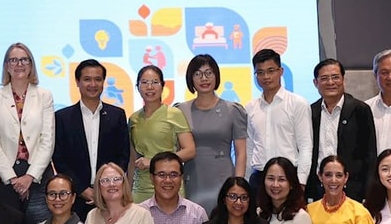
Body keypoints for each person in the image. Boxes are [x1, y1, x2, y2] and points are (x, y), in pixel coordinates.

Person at [0, 43, 56, 222]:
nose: (19, 64)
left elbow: (47, 140)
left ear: (31, 65)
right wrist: (11, 178)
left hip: (38, 173)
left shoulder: (44, 96)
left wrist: (30, 176)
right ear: (6, 66)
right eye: (13, 60)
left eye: (24, 60)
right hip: (7, 174)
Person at [52, 59, 131, 217]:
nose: (93, 84)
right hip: (75, 197)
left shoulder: (117, 115)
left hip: (110, 196)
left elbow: (123, 155)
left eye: (98, 79)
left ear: (103, 82)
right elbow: (59, 158)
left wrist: (107, 186)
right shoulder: (62, 117)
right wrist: (81, 189)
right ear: (77, 82)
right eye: (87, 79)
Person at [180, 54, 248, 211]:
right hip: (192, 178)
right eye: (198, 74)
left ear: (216, 76)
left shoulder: (233, 110)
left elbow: (241, 153)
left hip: (223, 177)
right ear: (191, 79)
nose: (204, 78)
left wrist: (238, 185)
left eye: (209, 73)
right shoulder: (181, 110)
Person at [243, 48, 310, 198]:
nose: (266, 77)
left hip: (289, 177)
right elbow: (249, 148)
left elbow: (306, 146)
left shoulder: (298, 103)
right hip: (259, 178)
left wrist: (301, 182)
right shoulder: (250, 107)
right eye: (260, 72)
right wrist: (245, 182)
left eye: (271, 71)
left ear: (281, 71)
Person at [308, 59, 375, 201]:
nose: (330, 82)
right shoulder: (310, 112)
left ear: (343, 79)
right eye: (324, 78)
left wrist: (368, 193)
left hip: (353, 191)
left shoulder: (360, 110)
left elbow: (370, 154)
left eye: (335, 77)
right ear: (315, 83)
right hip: (318, 191)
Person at [129, 65, 195, 203]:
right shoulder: (134, 118)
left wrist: (154, 162)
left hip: (169, 184)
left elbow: (190, 150)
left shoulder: (174, 114)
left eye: (155, 82)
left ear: (163, 86)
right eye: (144, 82)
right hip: (141, 187)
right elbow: (132, 158)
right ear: (137, 87)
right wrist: (127, 190)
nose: (150, 87)